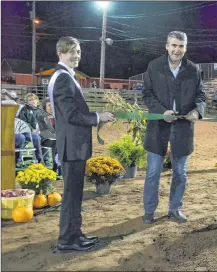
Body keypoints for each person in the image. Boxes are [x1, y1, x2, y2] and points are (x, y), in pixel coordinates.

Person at [48, 36, 114, 252]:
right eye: (71, 52)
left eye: (77, 51)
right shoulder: (63, 78)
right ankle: (67, 240)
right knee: (71, 196)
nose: (76, 55)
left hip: (72, 145)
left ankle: (75, 234)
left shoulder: (66, 76)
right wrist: (97, 117)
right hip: (72, 146)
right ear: (60, 53)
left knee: (74, 195)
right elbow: (71, 115)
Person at [142, 31, 206, 224]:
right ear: (167, 46)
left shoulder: (193, 69)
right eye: (174, 45)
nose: (177, 50)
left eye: (181, 46)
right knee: (153, 172)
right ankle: (149, 210)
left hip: (183, 128)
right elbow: (147, 94)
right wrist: (162, 112)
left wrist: (197, 111)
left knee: (180, 172)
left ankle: (175, 209)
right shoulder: (154, 67)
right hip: (158, 126)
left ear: (185, 48)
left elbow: (201, 96)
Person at [17, 93, 44, 164]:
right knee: (36, 138)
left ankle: (44, 160)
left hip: (38, 132)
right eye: (30, 100)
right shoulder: (24, 110)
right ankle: (39, 158)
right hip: (25, 132)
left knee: (47, 139)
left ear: (37, 101)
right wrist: (32, 130)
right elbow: (23, 122)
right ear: (27, 102)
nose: (33, 101)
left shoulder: (40, 111)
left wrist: (40, 129)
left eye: (34, 99)